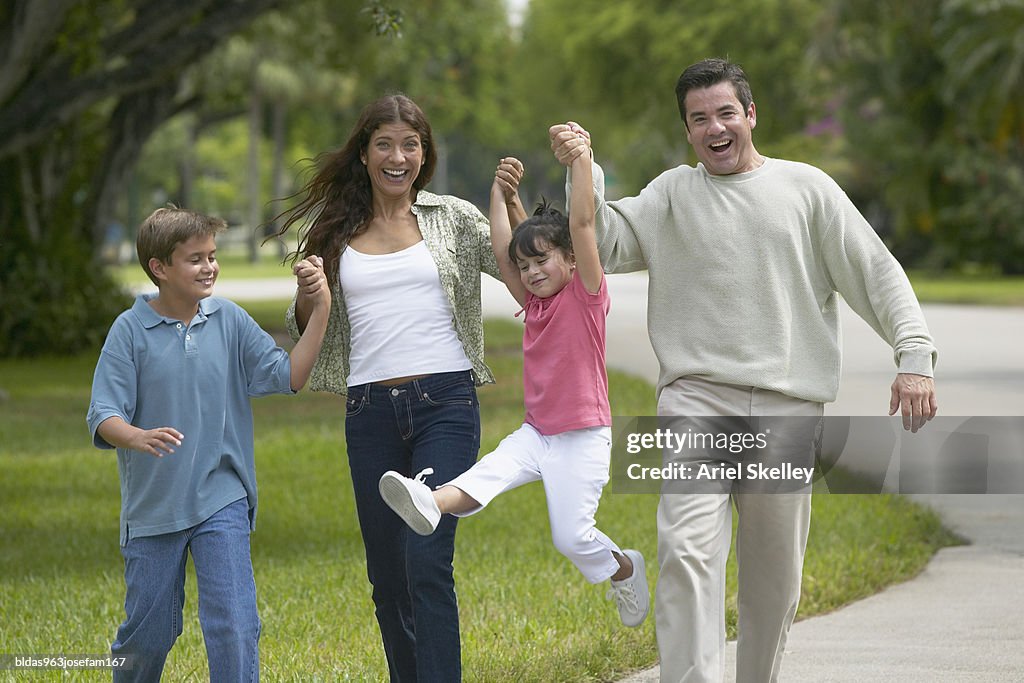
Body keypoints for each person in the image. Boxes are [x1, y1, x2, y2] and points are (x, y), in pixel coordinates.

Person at [550, 58, 938, 683]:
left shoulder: (806, 189)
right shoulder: (672, 193)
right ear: (687, 130)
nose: (714, 128)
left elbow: (876, 271)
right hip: (695, 399)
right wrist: (583, 168)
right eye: (699, 119)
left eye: (726, 112)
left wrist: (913, 355)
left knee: (773, 578)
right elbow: (606, 241)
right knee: (684, 555)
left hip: (787, 405)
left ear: (751, 115)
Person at [272, 93, 526, 682]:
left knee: (427, 560)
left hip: (446, 405)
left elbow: (522, 269)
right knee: (387, 575)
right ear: (363, 154)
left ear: (423, 153)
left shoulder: (453, 217)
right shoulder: (332, 231)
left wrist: (506, 203)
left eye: (409, 145)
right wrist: (310, 291)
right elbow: (304, 322)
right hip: (370, 414)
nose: (397, 156)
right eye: (384, 144)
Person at [377, 136, 651, 629]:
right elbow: (506, 253)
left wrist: (583, 161)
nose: (531, 272)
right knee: (485, 476)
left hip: (582, 436)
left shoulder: (586, 296)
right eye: (526, 268)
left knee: (571, 538)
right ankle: (428, 502)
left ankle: (624, 567)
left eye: (542, 262)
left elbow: (583, 223)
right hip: (537, 432)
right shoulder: (536, 304)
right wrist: (498, 194)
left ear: (572, 259)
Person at [86, 207, 331, 682]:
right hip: (155, 506)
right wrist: (136, 435)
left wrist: (318, 310)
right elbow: (104, 415)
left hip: (223, 495)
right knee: (149, 631)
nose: (209, 267)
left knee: (235, 623)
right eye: (195, 259)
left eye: (212, 256)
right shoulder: (129, 331)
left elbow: (290, 375)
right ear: (159, 268)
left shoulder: (230, 320)